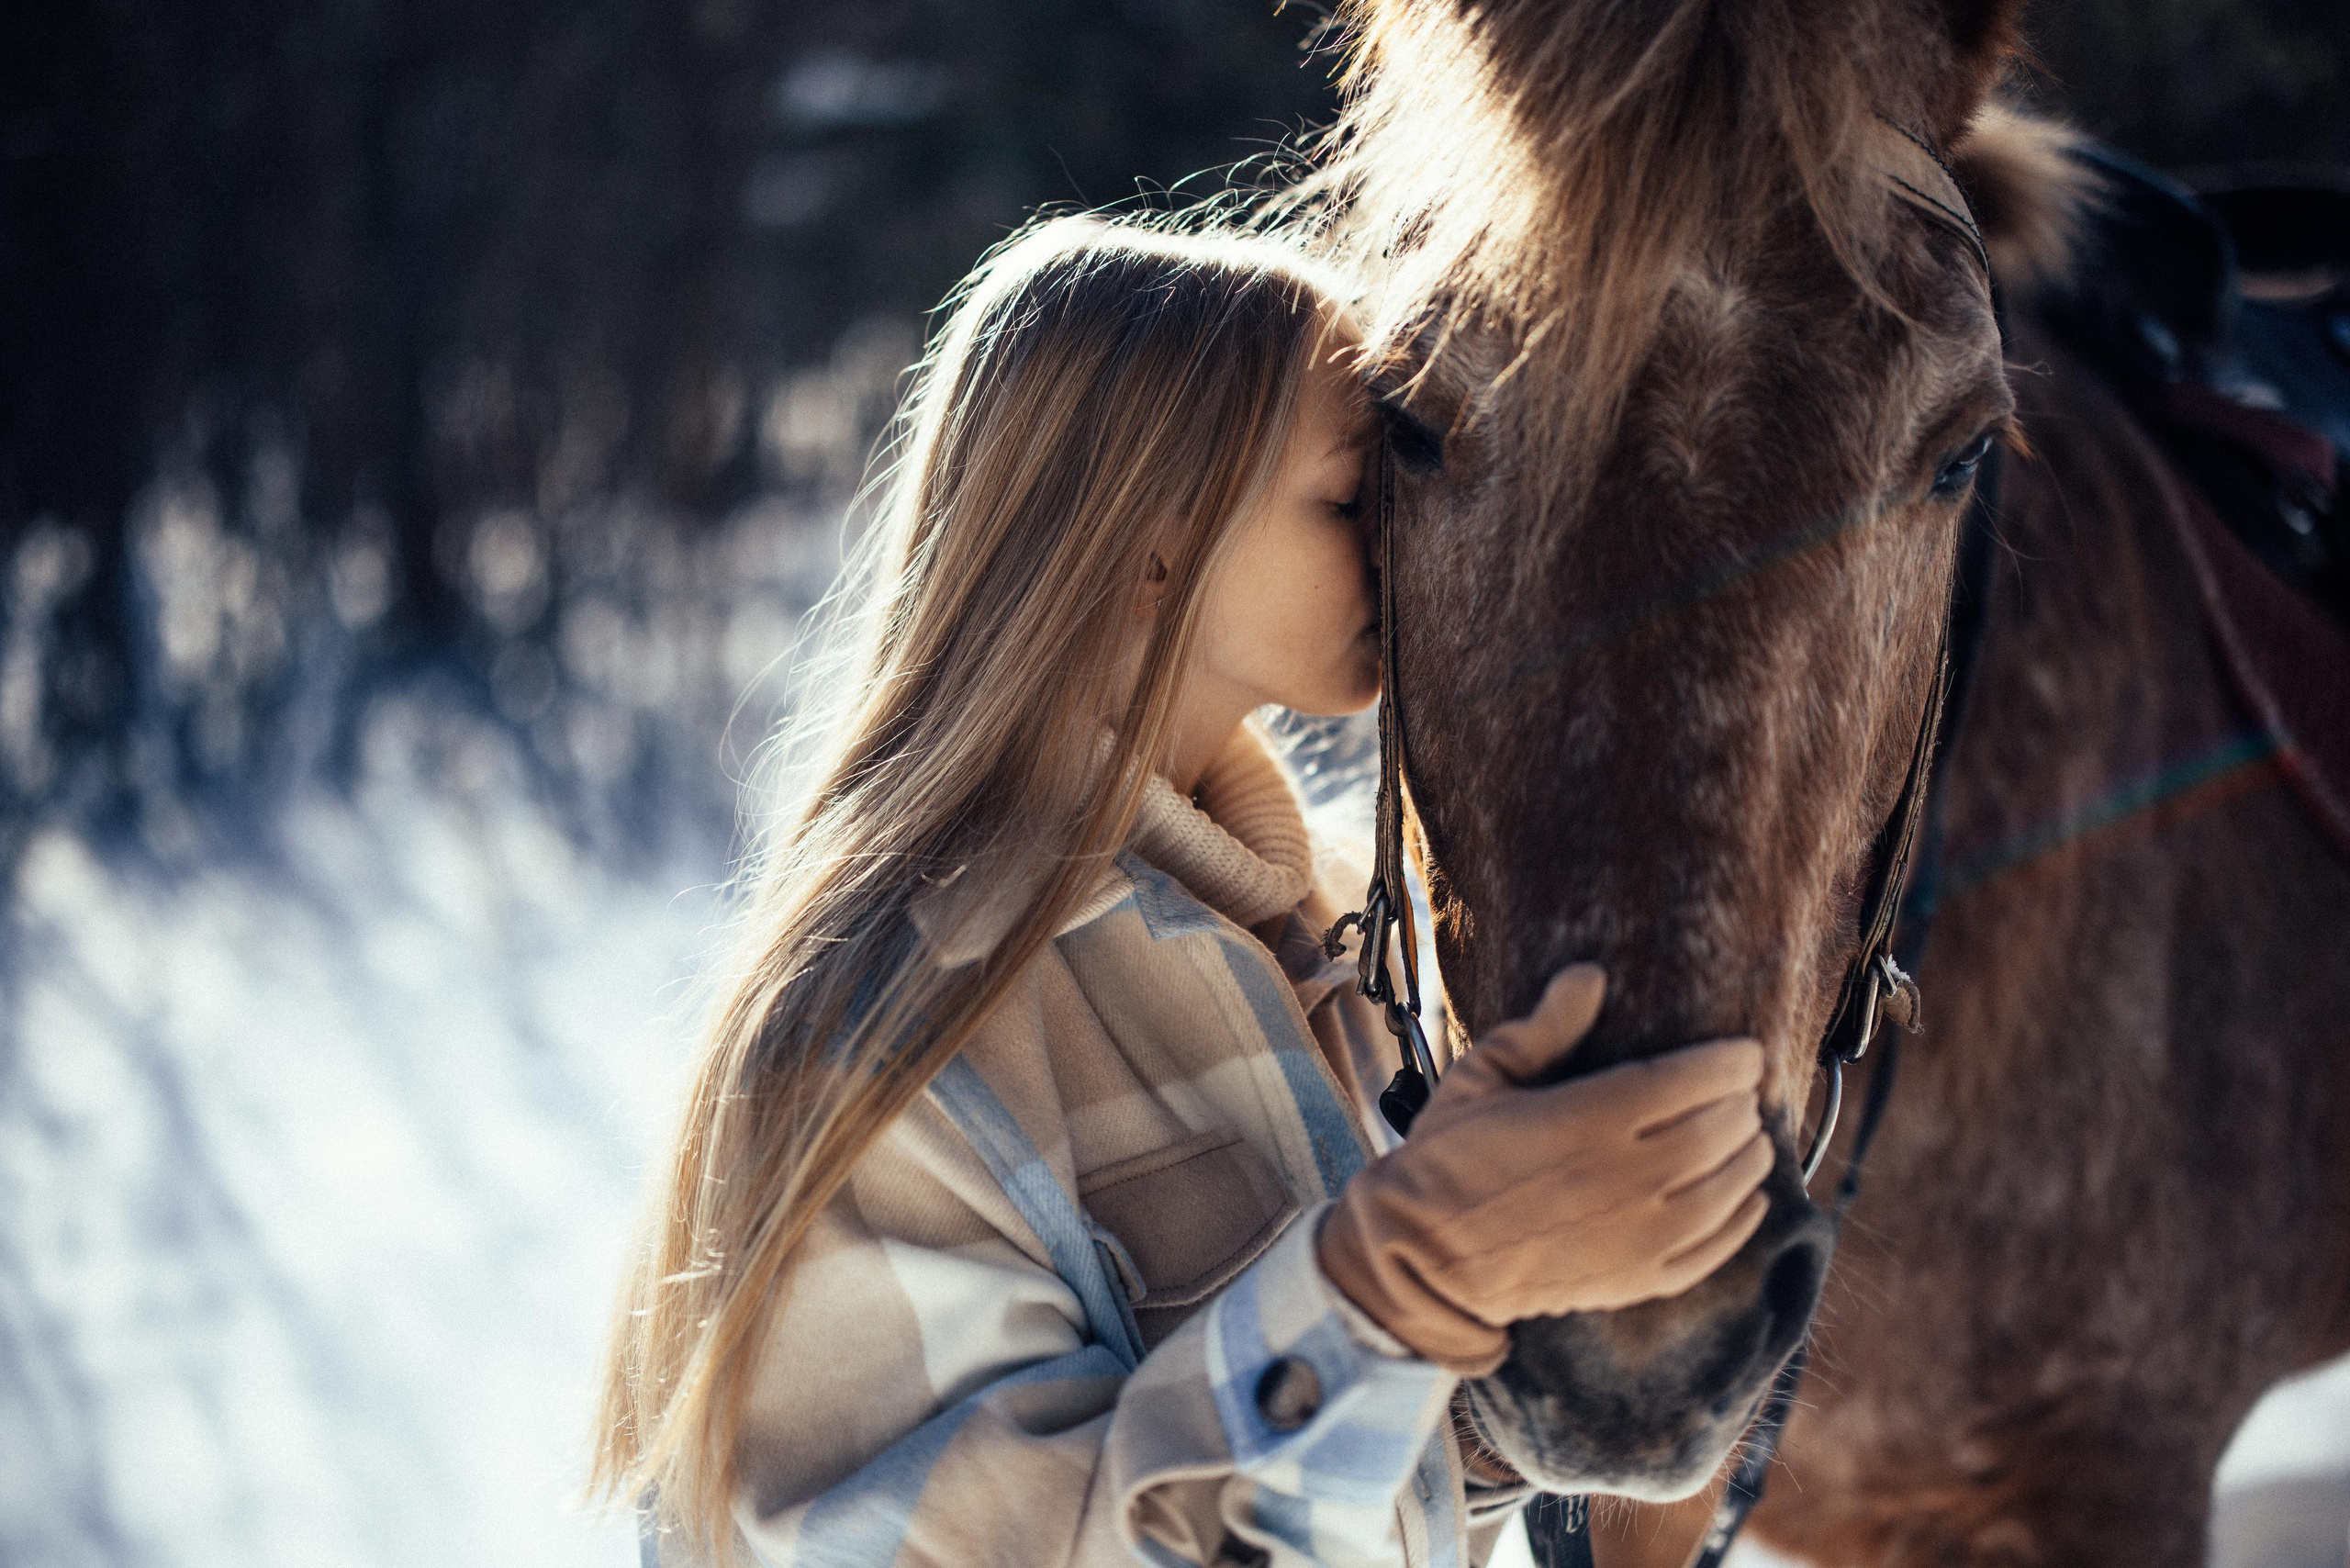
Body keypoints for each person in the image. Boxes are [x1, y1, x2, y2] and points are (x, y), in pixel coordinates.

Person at [588, 216, 1772, 1568]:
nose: (1411, 543)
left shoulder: (1317, 929)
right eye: (1348, 499)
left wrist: (1518, 1387)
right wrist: (1396, 1292)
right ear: (1150, 546)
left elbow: (1318, 1514)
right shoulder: (899, 1025)